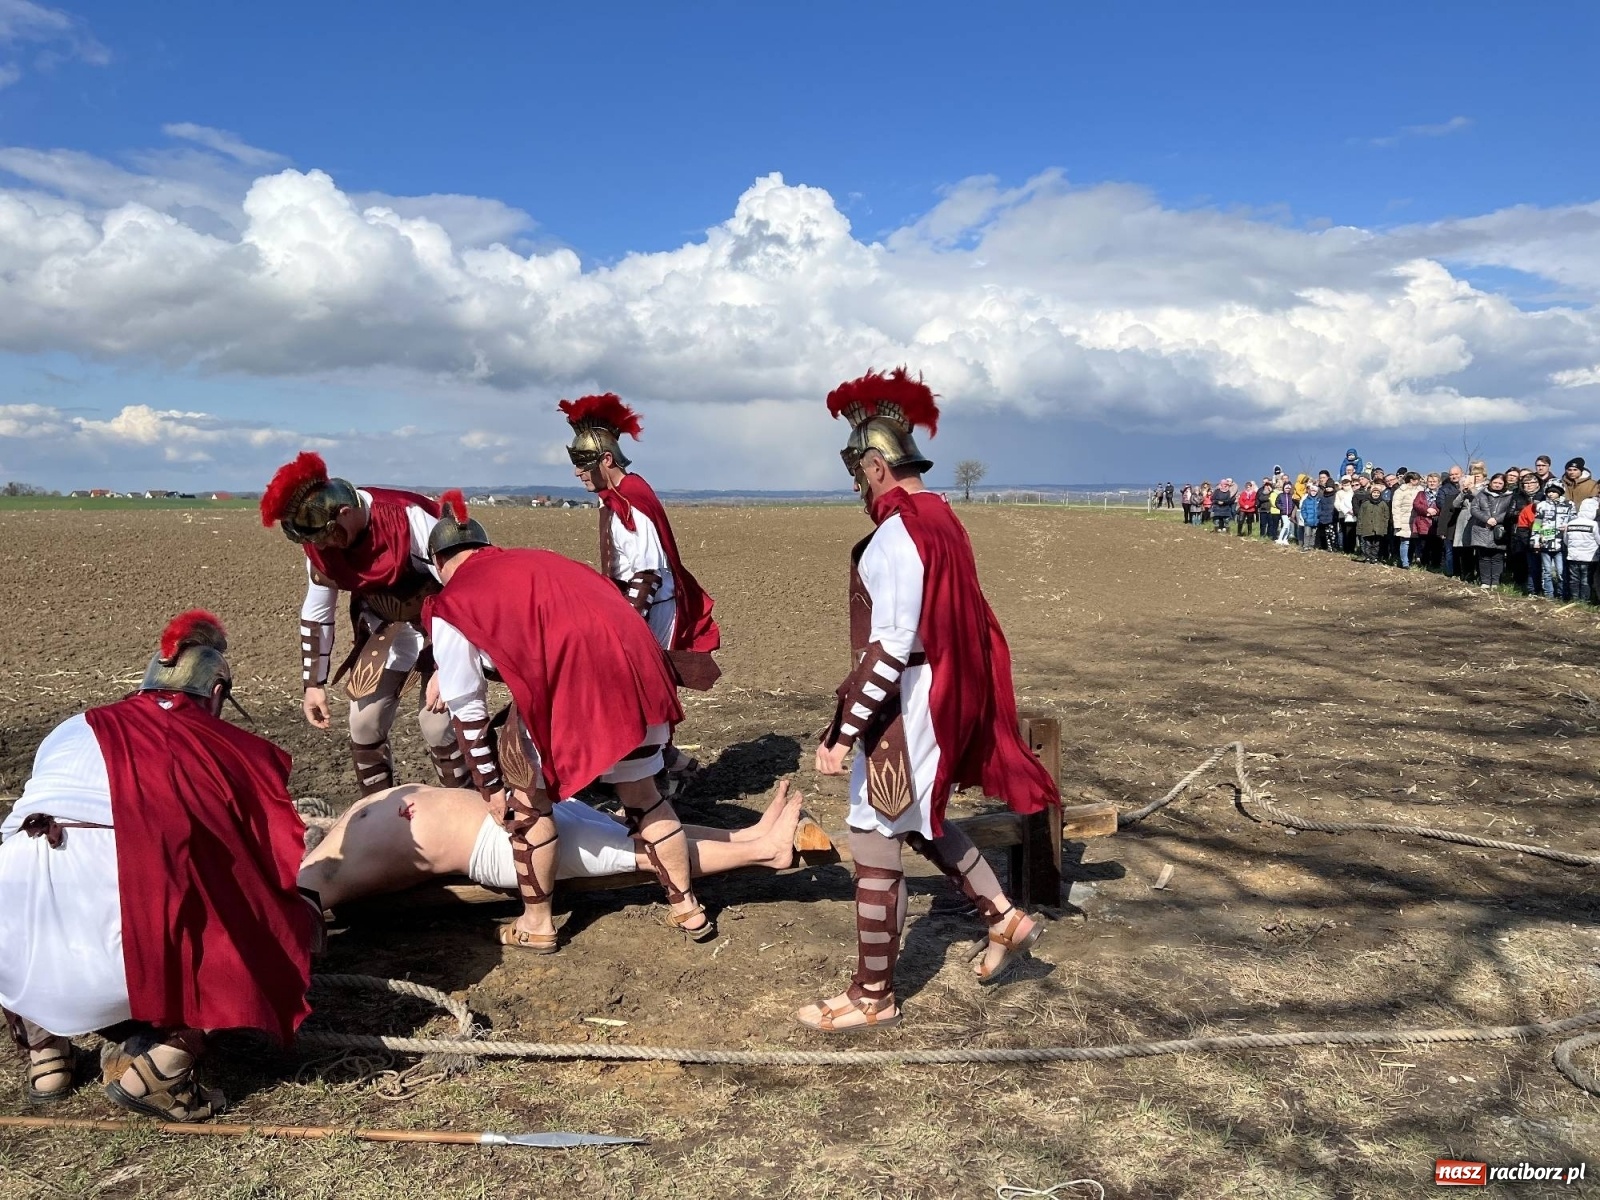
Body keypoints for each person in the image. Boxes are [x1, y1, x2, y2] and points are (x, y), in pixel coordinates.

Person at [799, 368, 1059, 1032]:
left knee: (874, 838)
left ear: (879, 466)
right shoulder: (942, 515)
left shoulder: (894, 535)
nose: (857, 486)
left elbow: (888, 648)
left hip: (906, 711)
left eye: (860, 472)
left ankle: (873, 995)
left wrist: (842, 733)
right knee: (918, 819)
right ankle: (1004, 918)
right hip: (937, 698)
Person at [0, 611, 315, 1121]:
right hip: (118, 954)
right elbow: (261, 864)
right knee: (256, 919)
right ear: (215, 695)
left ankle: (47, 1059)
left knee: (30, 867)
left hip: (17, 952)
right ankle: (163, 1070)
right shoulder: (228, 749)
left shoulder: (71, 728)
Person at [422, 492, 706, 952]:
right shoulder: (542, 560)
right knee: (645, 798)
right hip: (639, 683)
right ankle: (688, 908)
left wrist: (491, 787)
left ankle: (537, 924)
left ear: (438, 562)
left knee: (528, 806)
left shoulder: (453, 602)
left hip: (575, 699)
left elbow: (467, 707)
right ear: (485, 546)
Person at [260, 452, 466, 796]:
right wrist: (313, 683)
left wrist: (452, 668)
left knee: (437, 724)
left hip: (444, 628)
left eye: (326, 537)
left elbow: (464, 590)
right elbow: (318, 608)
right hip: (386, 626)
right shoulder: (319, 542)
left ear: (344, 513)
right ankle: (379, 814)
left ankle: (468, 810)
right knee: (363, 722)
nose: (323, 547)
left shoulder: (410, 519)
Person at [299, 781, 807, 912]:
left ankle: (751, 837)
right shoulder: (312, 885)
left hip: (510, 816)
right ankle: (766, 852)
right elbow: (296, 916)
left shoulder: (314, 863)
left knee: (634, 835)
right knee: (641, 853)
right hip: (498, 847)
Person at [561, 393, 722, 791]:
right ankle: (668, 761)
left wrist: (626, 625)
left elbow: (647, 573)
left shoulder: (630, 500)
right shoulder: (622, 496)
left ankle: (659, 774)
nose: (578, 473)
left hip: (650, 610)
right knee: (641, 688)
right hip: (642, 607)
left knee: (642, 688)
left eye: (583, 464)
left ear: (607, 461)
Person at [1469, 473, 1514, 588]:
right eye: (1495, 482)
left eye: (1500, 483)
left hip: (1499, 531)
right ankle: (1485, 581)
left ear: (1504, 484)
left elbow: (1510, 511)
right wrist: (1486, 519)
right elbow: (1474, 508)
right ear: (1490, 482)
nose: (1497, 485)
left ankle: (1495, 582)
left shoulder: (1509, 496)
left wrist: (1496, 519)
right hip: (1482, 529)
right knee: (1483, 557)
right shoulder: (1481, 494)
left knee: (1497, 557)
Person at [1533, 481, 1574, 601]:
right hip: (1545, 543)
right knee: (1547, 571)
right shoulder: (1542, 505)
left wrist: (1568, 527)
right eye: (1549, 492)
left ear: (1560, 492)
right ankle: (1548, 595)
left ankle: (1562, 595)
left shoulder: (1569, 504)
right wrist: (1535, 540)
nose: (1551, 494)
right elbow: (1537, 524)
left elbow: (1574, 520)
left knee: (1561, 571)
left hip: (1561, 544)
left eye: (1554, 492)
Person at [1566, 496, 1599, 604]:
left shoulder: (1571, 523)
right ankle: (1585, 601)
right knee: (1586, 580)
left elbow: (1566, 540)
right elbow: (1599, 540)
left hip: (1573, 556)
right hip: (1589, 558)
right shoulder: (1593, 524)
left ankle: (1574, 600)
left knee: (1574, 579)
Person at [1434, 466, 1463, 576]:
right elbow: (1441, 505)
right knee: (1449, 549)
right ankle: (1451, 572)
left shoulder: (1467, 487)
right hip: (1450, 521)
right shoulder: (1444, 489)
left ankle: (1463, 573)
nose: (1454, 476)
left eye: (1456, 474)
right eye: (1451, 474)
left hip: (1463, 522)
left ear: (1462, 474)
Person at [1391, 473, 1422, 568]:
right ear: (1411, 480)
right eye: (1417, 479)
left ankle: (1410, 559)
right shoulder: (1400, 491)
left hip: (1416, 520)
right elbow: (1396, 508)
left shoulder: (1420, 490)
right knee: (1405, 541)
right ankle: (1404, 562)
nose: (1418, 481)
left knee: (1414, 541)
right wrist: (1397, 523)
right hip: (1404, 519)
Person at [1356, 480, 1389, 562]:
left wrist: (1385, 528)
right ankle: (1367, 557)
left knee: (1376, 544)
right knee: (1367, 544)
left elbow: (1386, 517)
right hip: (1367, 528)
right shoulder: (1365, 504)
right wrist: (1360, 528)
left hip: (1378, 528)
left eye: (1378, 493)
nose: (1376, 494)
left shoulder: (1383, 504)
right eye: (1374, 493)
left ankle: (1374, 557)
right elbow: (1360, 516)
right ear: (1371, 493)